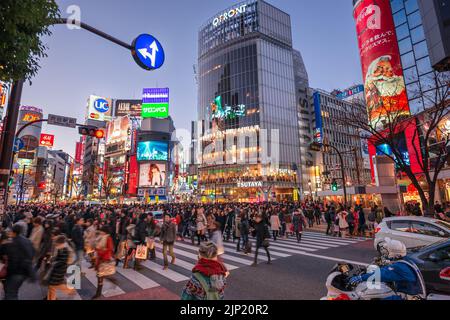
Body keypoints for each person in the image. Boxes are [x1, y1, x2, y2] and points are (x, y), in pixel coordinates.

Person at [349, 238, 426, 300]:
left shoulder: (399, 267)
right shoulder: (405, 260)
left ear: (393, 253)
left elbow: (381, 275)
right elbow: (390, 268)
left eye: (387, 250)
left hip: (408, 297)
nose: (385, 251)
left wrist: (361, 277)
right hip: (412, 294)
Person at [0, 224, 35, 300]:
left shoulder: (11, 243)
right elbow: (32, 253)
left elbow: (3, 253)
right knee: (10, 291)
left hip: (14, 272)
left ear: (13, 232)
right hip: (25, 271)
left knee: (11, 293)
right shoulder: (27, 241)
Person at [45, 235, 77, 300]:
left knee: (55, 285)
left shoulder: (64, 249)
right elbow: (58, 258)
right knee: (52, 285)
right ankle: (51, 298)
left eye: (56, 243)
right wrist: (52, 260)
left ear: (60, 243)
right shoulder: (61, 248)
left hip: (59, 270)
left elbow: (62, 261)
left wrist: (53, 263)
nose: (55, 244)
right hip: (57, 269)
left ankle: (70, 290)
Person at [92, 226, 117, 300]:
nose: (100, 232)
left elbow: (110, 248)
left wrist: (100, 251)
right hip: (100, 258)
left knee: (100, 275)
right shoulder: (102, 237)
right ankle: (99, 292)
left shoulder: (108, 238)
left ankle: (98, 293)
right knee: (100, 275)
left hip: (104, 258)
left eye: (102, 231)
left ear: (105, 232)